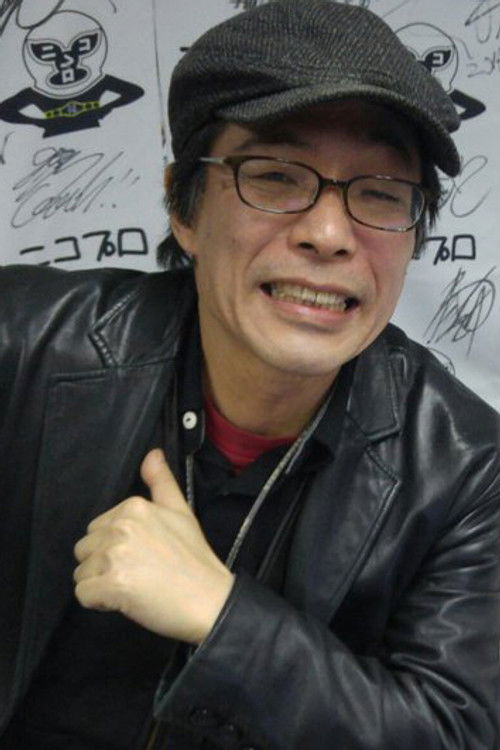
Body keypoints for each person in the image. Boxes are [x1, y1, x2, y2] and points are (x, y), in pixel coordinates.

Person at [0, 1, 499, 748]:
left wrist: (223, 618)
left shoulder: (469, 469)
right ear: (184, 208)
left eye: (380, 194)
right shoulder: (22, 346)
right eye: (274, 177)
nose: (328, 234)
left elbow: (454, 732)